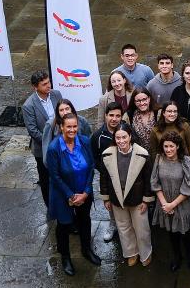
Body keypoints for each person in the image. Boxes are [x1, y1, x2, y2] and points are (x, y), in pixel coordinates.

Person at [45, 115, 100, 276]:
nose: (72, 130)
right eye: (68, 127)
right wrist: (70, 195)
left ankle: (86, 249)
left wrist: (86, 192)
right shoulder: (54, 148)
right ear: (61, 127)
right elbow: (54, 176)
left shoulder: (84, 141)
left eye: (74, 126)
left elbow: (91, 166)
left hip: (84, 191)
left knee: (85, 221)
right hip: (63, 194)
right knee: (63, 225)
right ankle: (65, 257)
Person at [100, 124, 154, 267]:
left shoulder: (142, 154)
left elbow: (148, 180)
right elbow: (104, 178)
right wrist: (106, 198)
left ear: (130, 136)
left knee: (141, 228)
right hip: (117, 198)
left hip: (137, 199)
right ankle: (131, 253)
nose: (121, 140)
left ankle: (145, 253)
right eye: (118, 137)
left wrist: (146, 200)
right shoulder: (107, 154)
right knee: (124, 228)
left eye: (124, 137)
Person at [150, 130, 190, 271]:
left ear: (177, 146)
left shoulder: (186, 161)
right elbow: (154, 182)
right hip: (165, 202)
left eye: (171, 146)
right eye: (166, 146)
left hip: (182, 203)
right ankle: (177, 257)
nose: (168, 149)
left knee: (186, 234)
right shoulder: (159, 158)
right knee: (172, 233)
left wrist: (173, 205)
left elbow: (189, 186)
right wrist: (165, 203)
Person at [91, 102, 135, 244]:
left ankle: (130, 224)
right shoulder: (98, 136)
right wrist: (106, 169)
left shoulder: (127, 131)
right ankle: (112, 224)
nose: (114, 119)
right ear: (105, 116)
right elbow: (94, 158)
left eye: (117, 115)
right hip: (108, 177)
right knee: (111, 202)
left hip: (127, 175)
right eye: (111, 115)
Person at [22, 71, 61, 208]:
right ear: (35, 87)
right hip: (42, 148)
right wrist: (49, 143)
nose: (48, 86)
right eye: (44, 84)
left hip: (61, 142)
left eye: (49, 82)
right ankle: (50, 206)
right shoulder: (29, 106)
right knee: (45, 179)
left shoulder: (56, 95)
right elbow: (33, 130)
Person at [151, 102, 190, 168]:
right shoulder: (155, 130)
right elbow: (154, 152)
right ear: (163, 113)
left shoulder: (184, 126)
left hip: (183, 164)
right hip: (164, 165)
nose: (173, 114)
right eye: (169, 111)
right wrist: (155, 168)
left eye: (175, 111)